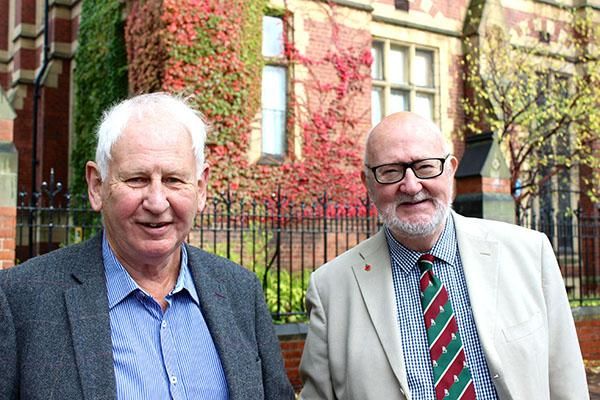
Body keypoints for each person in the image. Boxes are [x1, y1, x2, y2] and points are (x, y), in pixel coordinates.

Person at [0, 92, 295, 400]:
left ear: (201, 188)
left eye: (174, 180)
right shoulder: (22, 299)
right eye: (137, 179)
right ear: (96, 186)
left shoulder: (240, 292)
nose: (156, 202)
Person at [299, 112, 589, 400]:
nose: (411, 186)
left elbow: (568, 385)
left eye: (425, 167)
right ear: (368, 183)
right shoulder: (330, 289)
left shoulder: (530, 254)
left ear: (450, 170)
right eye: (390, 171)